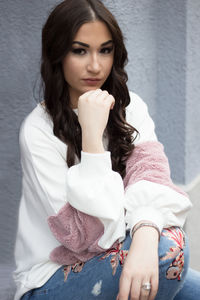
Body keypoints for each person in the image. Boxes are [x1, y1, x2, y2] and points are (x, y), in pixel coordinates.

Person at [13, 0, 200, 299]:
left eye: (105, 49)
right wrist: (91, 139)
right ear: (58, 53)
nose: (95, 66)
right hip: (51, 278)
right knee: (170, 252)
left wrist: (146, 232)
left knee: (176, 264)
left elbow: (153, 181)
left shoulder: (131, 106)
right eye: (80, 50)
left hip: (123, 251)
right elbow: (86, 238)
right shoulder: (38, 131)